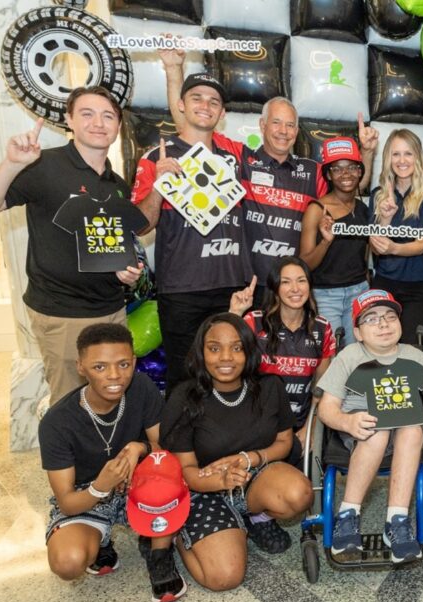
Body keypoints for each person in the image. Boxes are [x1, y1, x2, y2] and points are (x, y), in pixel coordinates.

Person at [158, 45, 378, 299]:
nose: (283, 131)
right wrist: (174, 70)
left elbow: (352, 188)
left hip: (292, 287)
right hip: (249, 284)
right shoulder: (241, 159)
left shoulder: (310, 170)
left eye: (290, 125)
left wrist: (367, 152)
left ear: (297, 131)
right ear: (262, 125)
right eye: (276, 123)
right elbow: (194, 130)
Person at [0, 87, 144, 404]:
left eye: (108, 115)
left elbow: (111, 249)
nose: (99, 122)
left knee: (111, 397)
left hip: (111, 310)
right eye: (87, 113)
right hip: (63, 312)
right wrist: (11, 164)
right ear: (69, 119)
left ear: (118, 125)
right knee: (71, 403)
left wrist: (126, 273)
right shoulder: (43, 165)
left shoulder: (117, 185)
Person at [161, 313, 313, 586]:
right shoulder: (184, 397)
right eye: (214, 348)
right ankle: (179, 533)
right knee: (224, 577)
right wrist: (220, 480)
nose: (226, 357)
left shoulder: (270, 386)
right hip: (204, 491)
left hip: (255, 478)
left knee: (298, 494)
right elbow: (185, 472)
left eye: (236, 347)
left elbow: (284, 443)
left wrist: (248, 459)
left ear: (249, 350)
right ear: (201, 352)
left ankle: (256, 518)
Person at [38, 323, 185, 602]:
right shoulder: (57, 423)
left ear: (134, 362)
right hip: (87, 492)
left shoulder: (141, 386)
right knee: (67, 562)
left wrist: (139, 447)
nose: (115, 376)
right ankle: (101, 539)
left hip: (138, 482)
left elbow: (164, 449)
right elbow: (67, 502)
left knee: (166, 475)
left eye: (123, 364)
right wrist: (100, 487)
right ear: (81, 367)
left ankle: (159, 555)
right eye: (100, 367)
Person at [316, 290, 423, 563]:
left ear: (399, 324)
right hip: (357, 432)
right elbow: (325, 408)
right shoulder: (349, 356)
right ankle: (348, 514)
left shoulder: (415, 357)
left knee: (412, 428)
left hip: (406, 437)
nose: (383, 324)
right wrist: (347, 421)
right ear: (357, 332)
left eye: (389, 317)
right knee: (377, 428)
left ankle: (397, 520)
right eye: (371, 319)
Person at [132, 73, 252, 394]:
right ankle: (182, 445)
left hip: (231, 288)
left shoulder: (236, 154)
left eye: (214, 101)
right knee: (184, 380)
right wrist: (160, 185)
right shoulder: (157, 155)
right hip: (182, 290)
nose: (205, 106)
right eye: (196, 98)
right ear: (180, 105)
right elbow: (141, 226)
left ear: (222, 113)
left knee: (232, 377)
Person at [229, 255, 336, 458]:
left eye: (301, 280)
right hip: (257, 425)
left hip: (300, 425)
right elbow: (224, 359)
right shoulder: (254, 322)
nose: (295, 289)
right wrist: (235, 313)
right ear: (275, 288)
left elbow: (321, 390)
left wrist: (310, 428)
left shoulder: (322, 328)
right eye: (286, 282)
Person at [369, 130, 423, 349]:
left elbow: (422, 244)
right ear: (387, 158)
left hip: (422, 287)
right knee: (380, 348)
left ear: (418, 157)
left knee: (413, 349)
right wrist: (385, 218)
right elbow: (375, 248)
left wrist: (394, 247)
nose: (402, 161)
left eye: (408, 154)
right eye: (396, 154)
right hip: (385, 282)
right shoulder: (378, 194)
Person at [300, 136, 370, 339]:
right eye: (337, 169)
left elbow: (363, 256)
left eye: (351, 167)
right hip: (326, 295)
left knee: (357, 356)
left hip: (359, 291)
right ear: (328, 175)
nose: (345, 174)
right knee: (330, 358)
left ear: (359, 171)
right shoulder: (317, 209)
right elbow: (305, 263)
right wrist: (326, 241)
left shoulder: (363, 209)